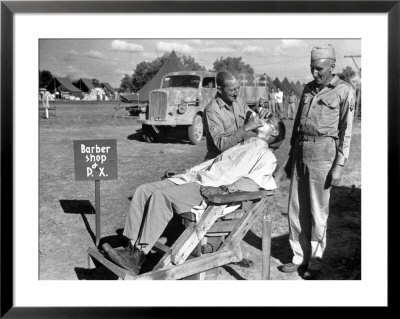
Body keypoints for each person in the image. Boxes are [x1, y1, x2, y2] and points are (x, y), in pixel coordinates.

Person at [105, 116, 286, 275]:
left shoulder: (266, 156)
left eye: (269, 121)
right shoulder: (244, 144)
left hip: (210, 190)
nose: (262, 120)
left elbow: (254, 183)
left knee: (160, 197)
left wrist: (224, 189)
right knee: (143, 191)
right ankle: (131, 248)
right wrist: (184, 172)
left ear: (275, 133)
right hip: (197, 179)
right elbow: (211, 164)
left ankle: (138, 256)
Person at [282, 45, 355, 279]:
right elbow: (297, 127)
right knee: (295, 209)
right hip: (301, 152)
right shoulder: (307, 89)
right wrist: (290, 157)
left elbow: (346, 131)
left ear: (332, 66)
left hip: (324, 153)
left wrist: (339, 165)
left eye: (319, 69)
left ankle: (315, 260)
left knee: (317, 210)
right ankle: (298, 256)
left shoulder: (344, 91)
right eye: (312, 68)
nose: (315, 73)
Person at [202, 71, 264, 160]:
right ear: (219, 90)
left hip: (237, 156)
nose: (236, 93)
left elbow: (251, 119)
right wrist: (245, 128)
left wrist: (262, 116)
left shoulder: (238, 101)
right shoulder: (212, 111)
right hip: (218, 160)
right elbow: (221, 145)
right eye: (231, 90)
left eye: (238, 88)